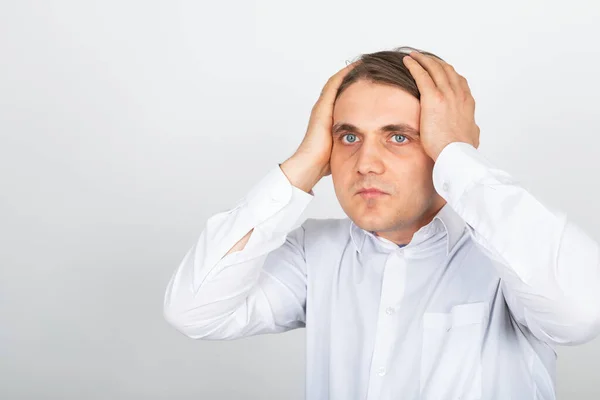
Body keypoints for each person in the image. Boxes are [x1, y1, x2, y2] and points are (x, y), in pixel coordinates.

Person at [163, 46, 600, 399]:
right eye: (348, 137)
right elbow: (194, 312)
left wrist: (458, 156)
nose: (366, 163)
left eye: (399, 136)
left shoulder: (511, 252)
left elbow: (581, 314)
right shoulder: (314, 254)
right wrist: (303, 164)